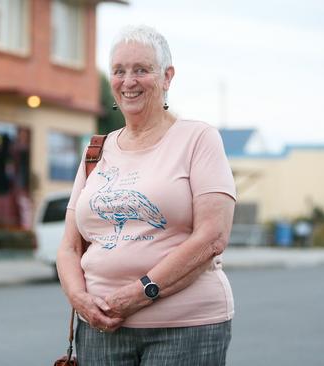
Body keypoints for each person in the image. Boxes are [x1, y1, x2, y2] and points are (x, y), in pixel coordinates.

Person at [56, 25, 237, 366]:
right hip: (101, 327)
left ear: (167, 77)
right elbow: (69, 245)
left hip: (185, 327)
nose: (129, 81)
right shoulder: (97, 150)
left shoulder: (198, 139)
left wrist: (140, 294)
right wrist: (79, 299)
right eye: (119, 71)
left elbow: (213, 237)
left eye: (141, 70)